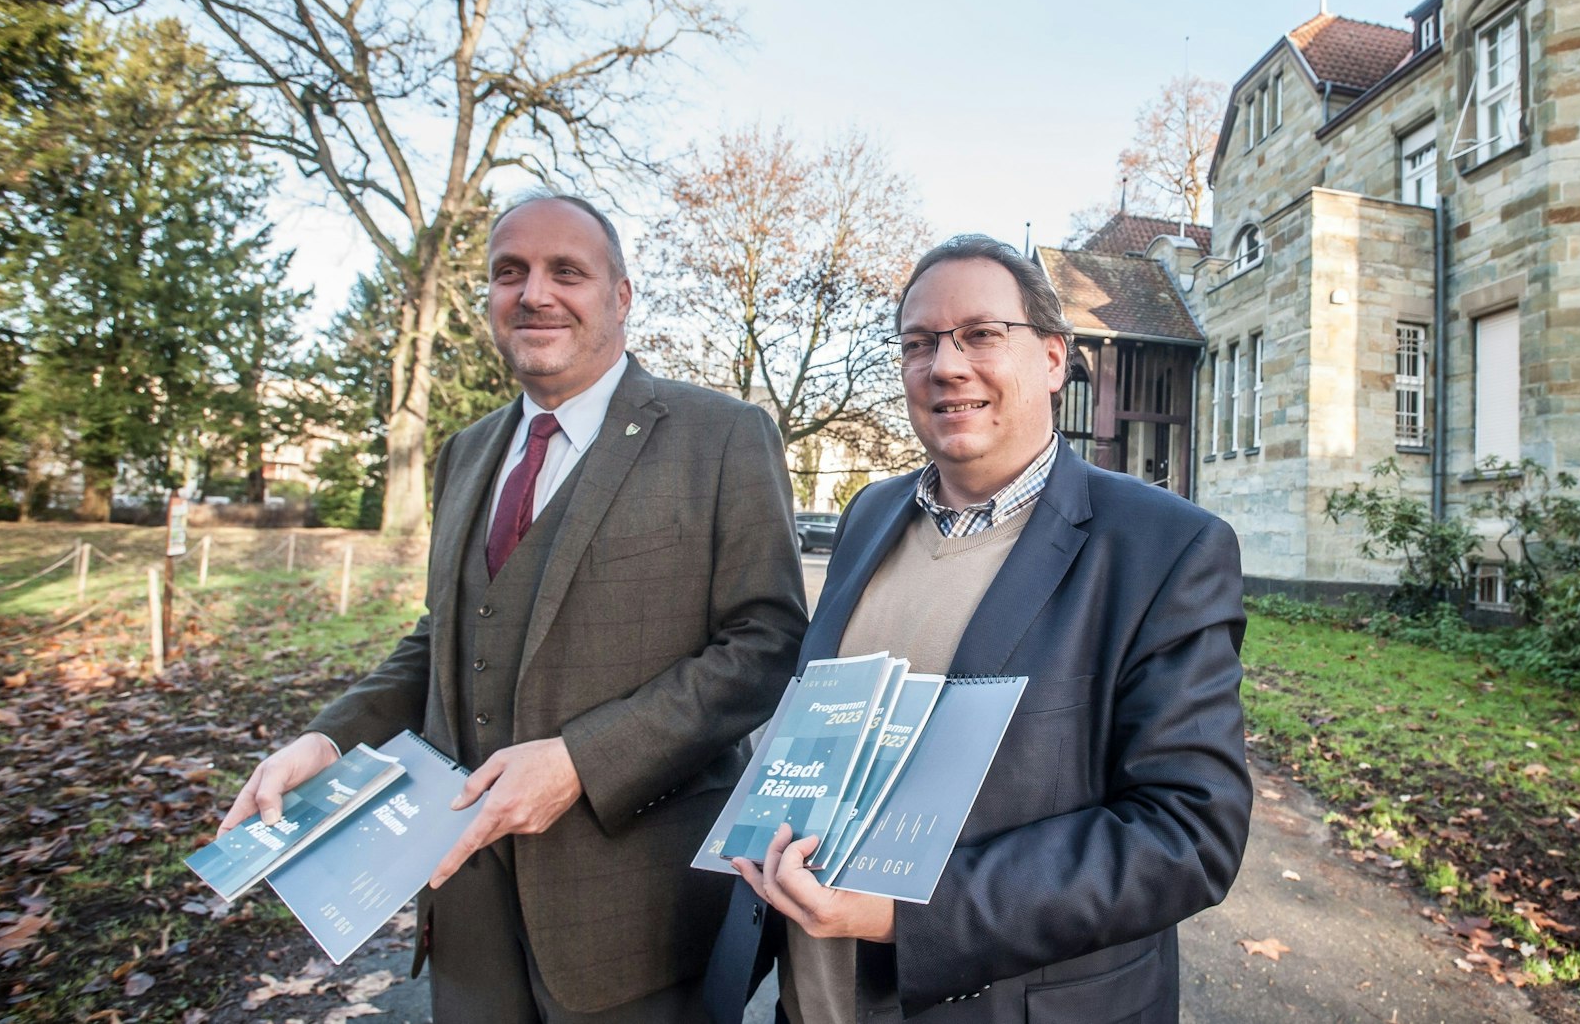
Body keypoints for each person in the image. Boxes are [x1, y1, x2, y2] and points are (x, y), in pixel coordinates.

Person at [218, 193, 807, 1023]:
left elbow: (767, 642)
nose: (534, 292)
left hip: (637, 925)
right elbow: (444, 639)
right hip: (466, 921)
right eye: (509, 272)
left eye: (567, 271)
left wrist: (580, 761)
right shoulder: (465, 451)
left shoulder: (723, 436)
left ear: (621, 296)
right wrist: (329, 740)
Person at [704, 234, 1250, 1024]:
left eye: (982, 334)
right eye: (919, 343)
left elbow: (1188, 832)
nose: (947, 365)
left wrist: (907, 914)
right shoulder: (868, 516)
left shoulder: (1164, 547)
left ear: (1055, 360)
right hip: (814, 999)